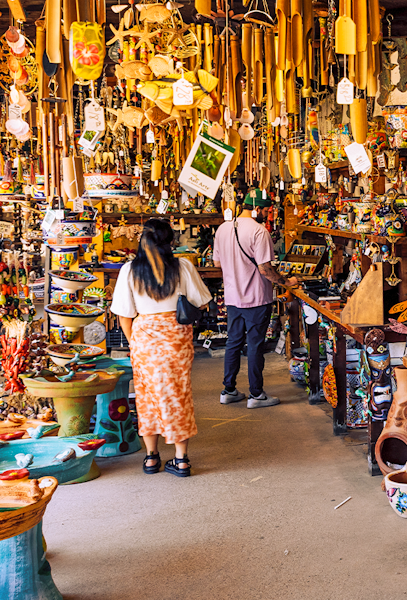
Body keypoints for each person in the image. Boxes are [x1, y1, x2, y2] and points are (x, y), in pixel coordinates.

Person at [111, 218, 212, 477]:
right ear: (170, 241)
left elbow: (124, 315)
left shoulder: (129, 270)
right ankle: (181, 460)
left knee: (147, 397)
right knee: (178, 395)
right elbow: (202, 302)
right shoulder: (183, 266)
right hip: (177, 337)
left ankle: (151, 458)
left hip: (144, 338)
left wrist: (134, 342)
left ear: (142, 241)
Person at [213, 188, 286, 408]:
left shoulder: (223, 229)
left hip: (232, 297)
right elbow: (265, 269)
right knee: (255, 345)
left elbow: (217, 263)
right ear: (257, 209)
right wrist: (286, 281)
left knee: (233, 343)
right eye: (266, 211)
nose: (267, 215)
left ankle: (228, 391)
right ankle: (256, 395)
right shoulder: (259, 231)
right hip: (256, 298)